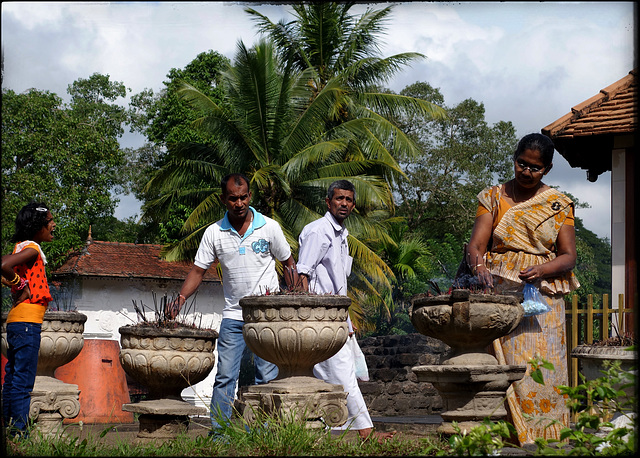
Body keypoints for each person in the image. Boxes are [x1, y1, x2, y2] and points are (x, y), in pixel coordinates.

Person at [466, 133, 580, 445]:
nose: (527, 172)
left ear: (548, 169)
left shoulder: (558, 204)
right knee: (506, 364)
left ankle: (548, 434)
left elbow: (568, 256)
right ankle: (506, 435)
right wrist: (480, 268)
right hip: (501, 290)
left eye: (535, 168)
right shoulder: (491, 197)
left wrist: (542, 268)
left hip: (543, 293)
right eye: (522, 164)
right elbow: (477, 245)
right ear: (514, 159)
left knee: (542, 366)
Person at [167, 173, 297, 432]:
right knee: (226, 376)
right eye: (233, 198)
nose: (239, 203)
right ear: (223, 199)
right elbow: (197, 272)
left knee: (267, 377)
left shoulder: (269, 227)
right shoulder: (214, 233)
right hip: (233, 316)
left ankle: (266, 432)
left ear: (250, 196)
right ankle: (221, 433)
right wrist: (180, 298)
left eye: (243, 197)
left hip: (266, 318)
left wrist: (294, 302)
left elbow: (288, 264)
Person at [296, 180, 395, 443]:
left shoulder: (342, 236)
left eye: (349, 200)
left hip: (339, 316)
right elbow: (302, 272)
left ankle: (328, 432)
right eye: (339, 199)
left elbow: (339, 281)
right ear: (328, 202)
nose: (345, 204)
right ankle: (366, 432)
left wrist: (348, 324)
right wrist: (306, 313)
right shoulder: (319, 231)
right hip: (320, 316)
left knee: (339, 374)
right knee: (341, 374)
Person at [2, 203, 56, 437]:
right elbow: (3, 265)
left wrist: (16, 284)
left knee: (12, 380)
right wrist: (21, 286)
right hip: (27, 324)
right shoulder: (32, 248)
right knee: (23, 383)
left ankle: (9, 430)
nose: (53, 225)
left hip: (16, 323)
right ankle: (19, 435)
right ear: (37, 227)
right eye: (49, 222)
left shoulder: (20, 247)